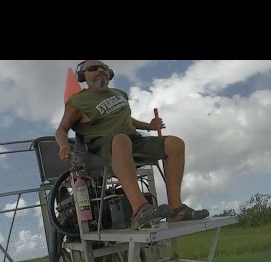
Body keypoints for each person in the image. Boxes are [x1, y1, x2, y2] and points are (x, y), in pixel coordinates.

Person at [55, 59, 210, 230]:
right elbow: (62, 129)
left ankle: (176, 208)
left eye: (104, 67)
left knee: (175, 143)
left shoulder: (119, 94)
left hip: (132, 141)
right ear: (82, 76)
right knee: (121, 138)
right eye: (93, 68)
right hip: (103, 148)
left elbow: (127, 119)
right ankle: (139, 210)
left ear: (109, 72)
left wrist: (149, 126)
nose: (100, 70)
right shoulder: (77, 101)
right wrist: (63, 145)